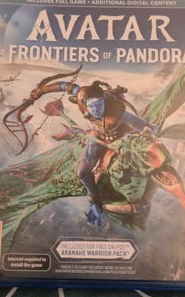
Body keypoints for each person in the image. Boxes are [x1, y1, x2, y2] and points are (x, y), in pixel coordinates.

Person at [29, 76, 157, 226]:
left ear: (104, 101)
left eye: (99, 104)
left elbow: (147, 127)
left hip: (121, 138)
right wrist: (40, 91)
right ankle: (95, 202)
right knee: (82, 172)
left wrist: (141, 135)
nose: (96, 109)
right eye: (92, 106)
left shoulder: (116, 111)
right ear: (84, 106)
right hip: (98, 136)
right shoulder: (84, 100)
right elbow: (64, 86)